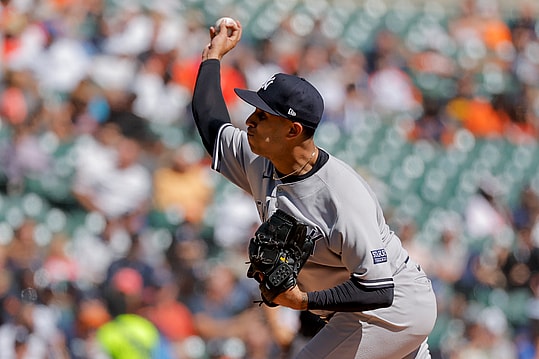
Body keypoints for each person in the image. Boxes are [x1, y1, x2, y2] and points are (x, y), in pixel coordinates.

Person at [191, 19, 437, 359]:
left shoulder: (340, 195)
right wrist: (212, 56)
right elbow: (211, 125)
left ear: (292, 130)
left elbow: (379, 290)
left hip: (391, 312)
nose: (249, 121)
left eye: (263, 116)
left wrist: (303, 301)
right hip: (355, 312)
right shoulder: (260, 157)